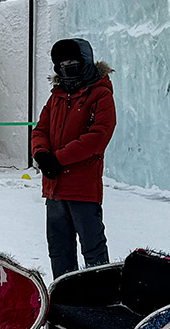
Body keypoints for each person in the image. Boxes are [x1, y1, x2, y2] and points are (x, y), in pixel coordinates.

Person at [31, 37, 116, 280]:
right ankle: (66, 297)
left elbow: (98, 136)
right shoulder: (56, 96)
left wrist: (57, 159)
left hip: (82, 187)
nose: (67, 67)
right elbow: (40, 130)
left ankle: (101, 296)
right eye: (62, 63)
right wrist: (41, 154)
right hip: (55, 187)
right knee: (59, 250)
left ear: (85, 62)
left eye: (73, 62)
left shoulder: (100, 95)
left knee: (93, 249)